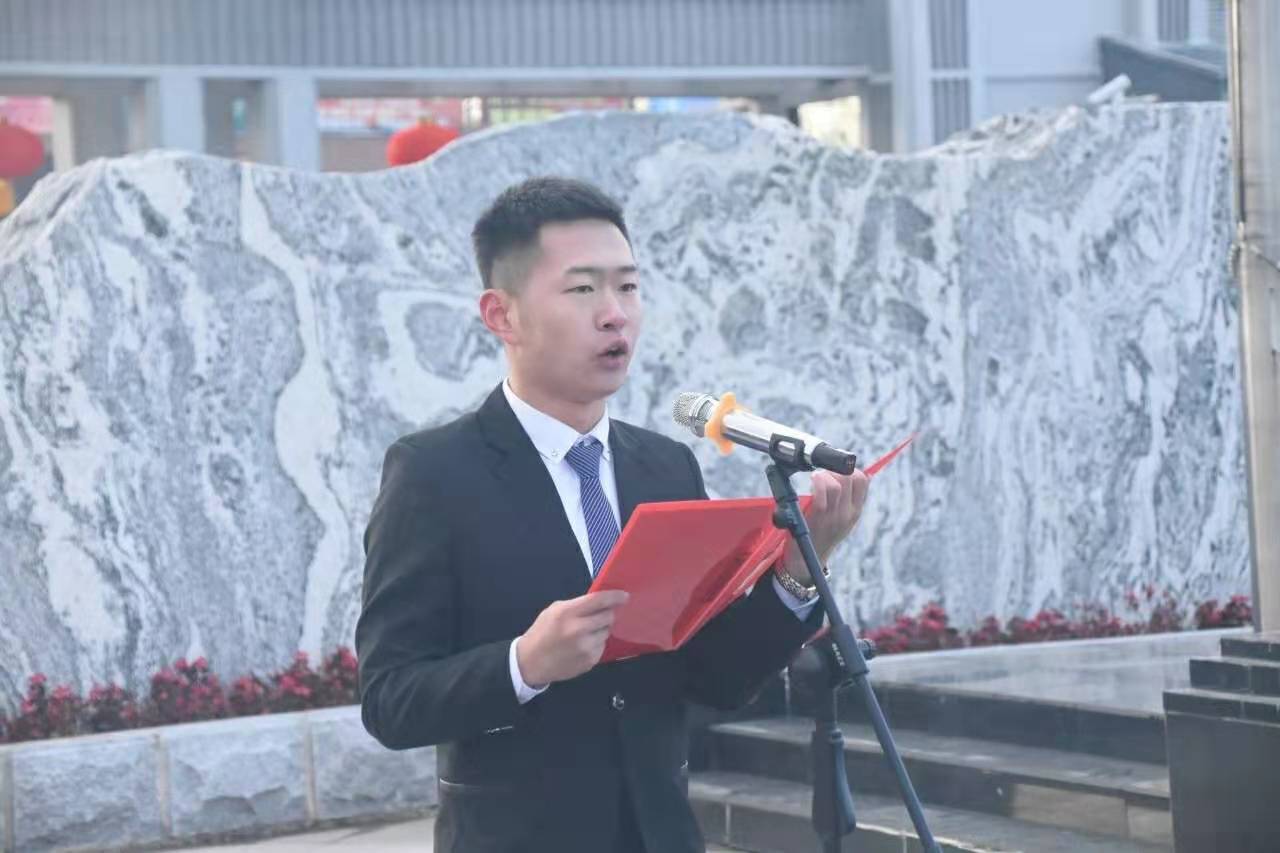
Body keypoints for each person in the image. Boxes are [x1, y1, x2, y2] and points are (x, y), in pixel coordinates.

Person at [356, 177, 870, 853]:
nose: (615, 314)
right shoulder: (435, 473)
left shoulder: (664, 467)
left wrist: (799, 571)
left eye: (628, 287)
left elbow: (713, 676)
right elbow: (390, 698)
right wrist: (524, 663)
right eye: (582, 289)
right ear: (502, 315)